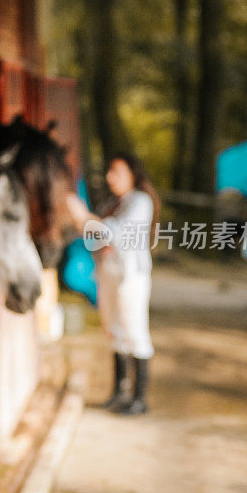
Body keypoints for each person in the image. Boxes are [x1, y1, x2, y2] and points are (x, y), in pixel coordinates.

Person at [65, 153, 160, 415]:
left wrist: (84, 216)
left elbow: (112, 232)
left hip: (131, 277)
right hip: (108, 275)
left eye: (117, 172)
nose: (110, 177)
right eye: (110, 171)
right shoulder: (114, 203)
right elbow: (96, 236)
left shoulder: (140, 201)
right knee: (115, 331)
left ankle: (139, 399)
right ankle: (120, 393)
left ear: (132, 174)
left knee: (135, 332)